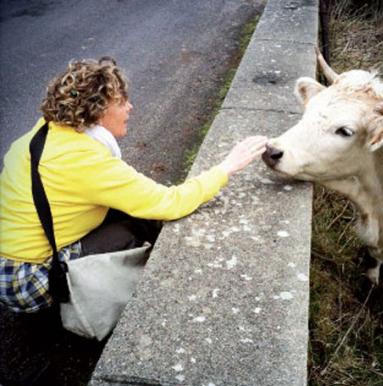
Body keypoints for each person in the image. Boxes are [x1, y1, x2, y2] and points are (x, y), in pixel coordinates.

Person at [0, 57, 267, 314]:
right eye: (122, 101)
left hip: (8, 260)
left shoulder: (45, 132)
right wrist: (226, 167)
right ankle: (109, 303)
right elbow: (169, 203)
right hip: (23, 280)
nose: (130, 108)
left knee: (124, 208)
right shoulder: (85, 160)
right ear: (98, 110)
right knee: (132, 227)